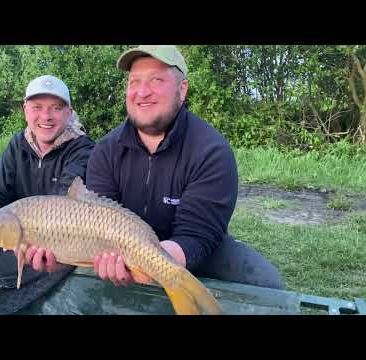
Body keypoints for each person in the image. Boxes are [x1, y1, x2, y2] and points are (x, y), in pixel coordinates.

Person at [85, 45, 284, 289]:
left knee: (266, 284)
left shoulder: (211, 152)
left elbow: (196, 236)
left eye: (156, 80)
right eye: (134, 81)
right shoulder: (105, 150)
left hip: (191, 251)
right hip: (122, 253)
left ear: (182, 89)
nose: (142, 92)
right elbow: (95, 222)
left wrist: (154, 265)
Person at [0, 75, 95, 273]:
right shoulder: (17, 145)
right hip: (20, 241)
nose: (46, 116)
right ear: (25, 109)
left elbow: (65, 210)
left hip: (64, 248)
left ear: (69, 113)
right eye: (37, 107)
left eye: (56, 108)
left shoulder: (83, 150)